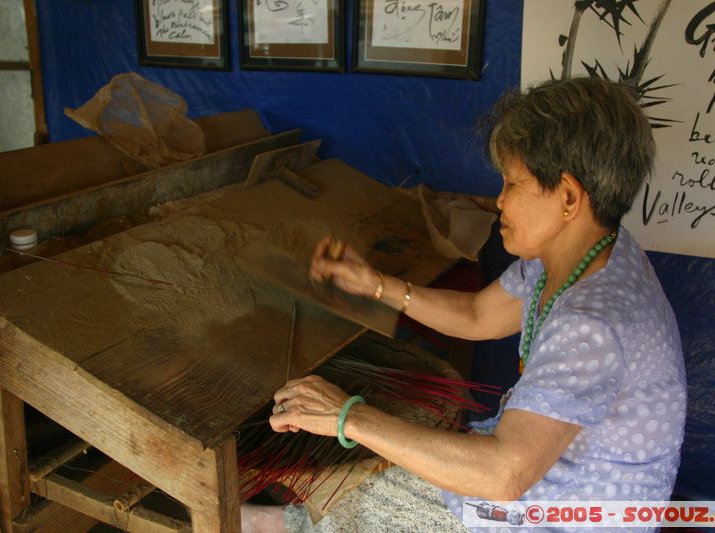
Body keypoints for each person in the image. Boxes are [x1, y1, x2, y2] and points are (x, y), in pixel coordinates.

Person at [240, 77, 687, 532]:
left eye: (513, 182)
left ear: (568, 197)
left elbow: (504, 473)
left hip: (564, 516)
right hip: (540, 485)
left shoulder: (593, 322)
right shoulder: (583, 251)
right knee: (377, 486)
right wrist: (377, 285)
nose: (499, 200)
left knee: (373, 500)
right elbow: (479, 315)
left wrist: (347, 416)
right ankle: (282, 522)